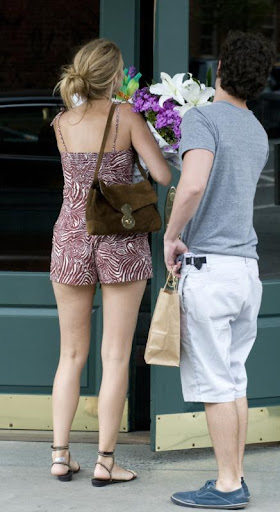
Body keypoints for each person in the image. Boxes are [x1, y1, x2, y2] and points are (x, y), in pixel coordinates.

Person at [50, 38, 171, 485]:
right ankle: (105, 461)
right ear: (115, 76)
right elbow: (161, 175)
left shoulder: (62, 122)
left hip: (70, 237)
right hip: (118, 237)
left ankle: (60, 456)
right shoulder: (125, 117)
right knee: (115, 354)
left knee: (71, 354)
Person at [164, 31, 275, 509]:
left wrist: (171, 236)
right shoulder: (257, 129)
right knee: (234, 380)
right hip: (247, 272)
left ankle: (228, 485)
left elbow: (191, 187)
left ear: (220, 71)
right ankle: (236, 476)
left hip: (210, 270)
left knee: (215, 385)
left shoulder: (202, 117)